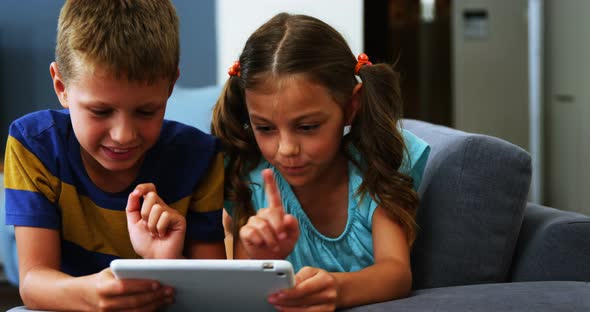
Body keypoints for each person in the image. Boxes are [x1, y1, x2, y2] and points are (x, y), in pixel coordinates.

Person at [3, 1, 225, 310]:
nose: (124, 135)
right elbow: (33, 283)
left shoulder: (200, 158)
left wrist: (167, 261)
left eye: (146, 111)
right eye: (101, 111)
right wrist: (89, 296)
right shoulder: (34, 145)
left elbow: (215, 295)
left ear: (170, 86)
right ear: (61, 86)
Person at [212, 12, 430, 310]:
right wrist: (265, 255)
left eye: (307, 127)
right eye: (264, 128)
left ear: (351, 106)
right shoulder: (250, 179)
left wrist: (337, 288)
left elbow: (395, 272)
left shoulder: (376, 165)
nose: (286, 149)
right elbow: (244, 296)